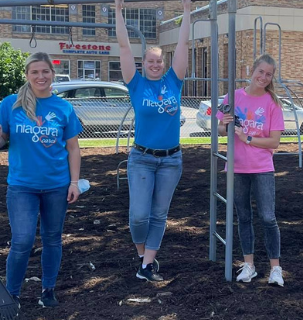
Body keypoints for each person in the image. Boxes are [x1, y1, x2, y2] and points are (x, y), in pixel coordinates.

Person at [0, 52, 83, 307]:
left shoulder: (64, 107)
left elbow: (73, 148)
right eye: (35, 72)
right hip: (22, 186)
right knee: (22, 240)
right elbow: (1, 140)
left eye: (45, 72)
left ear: (52, 74)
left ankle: (48, 290)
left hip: (56, 185)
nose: (40, 77)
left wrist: (74, 182)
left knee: (53, 238)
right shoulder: (10, 104)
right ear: (27, 75)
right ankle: (12, 294)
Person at [116, 0, 192, 281]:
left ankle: (147, 265)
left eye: (159, 61)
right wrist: (119, 12)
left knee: (159, 214)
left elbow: (183, 46)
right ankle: (141, 254)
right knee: (138, 215)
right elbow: (124, 47)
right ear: (144, 64)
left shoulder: (174, 81)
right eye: (151, 61)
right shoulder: (136, 84)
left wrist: (186, 12)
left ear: (164, 63)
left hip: (171, 160)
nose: (156, 65)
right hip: (142, 159)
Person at [216, 54, 287, 286]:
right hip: (237, 167)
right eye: (261, 72)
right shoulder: (232, 97)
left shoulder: (273, 103)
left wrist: (247, 137)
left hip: (262, 167)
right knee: (243, 216)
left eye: (269, 74)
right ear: (252, 70)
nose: (263, 77)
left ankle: (275, 268)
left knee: (268, 217)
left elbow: (274, 142)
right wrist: (225, 124)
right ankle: (249, 265)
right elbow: (219, 129)